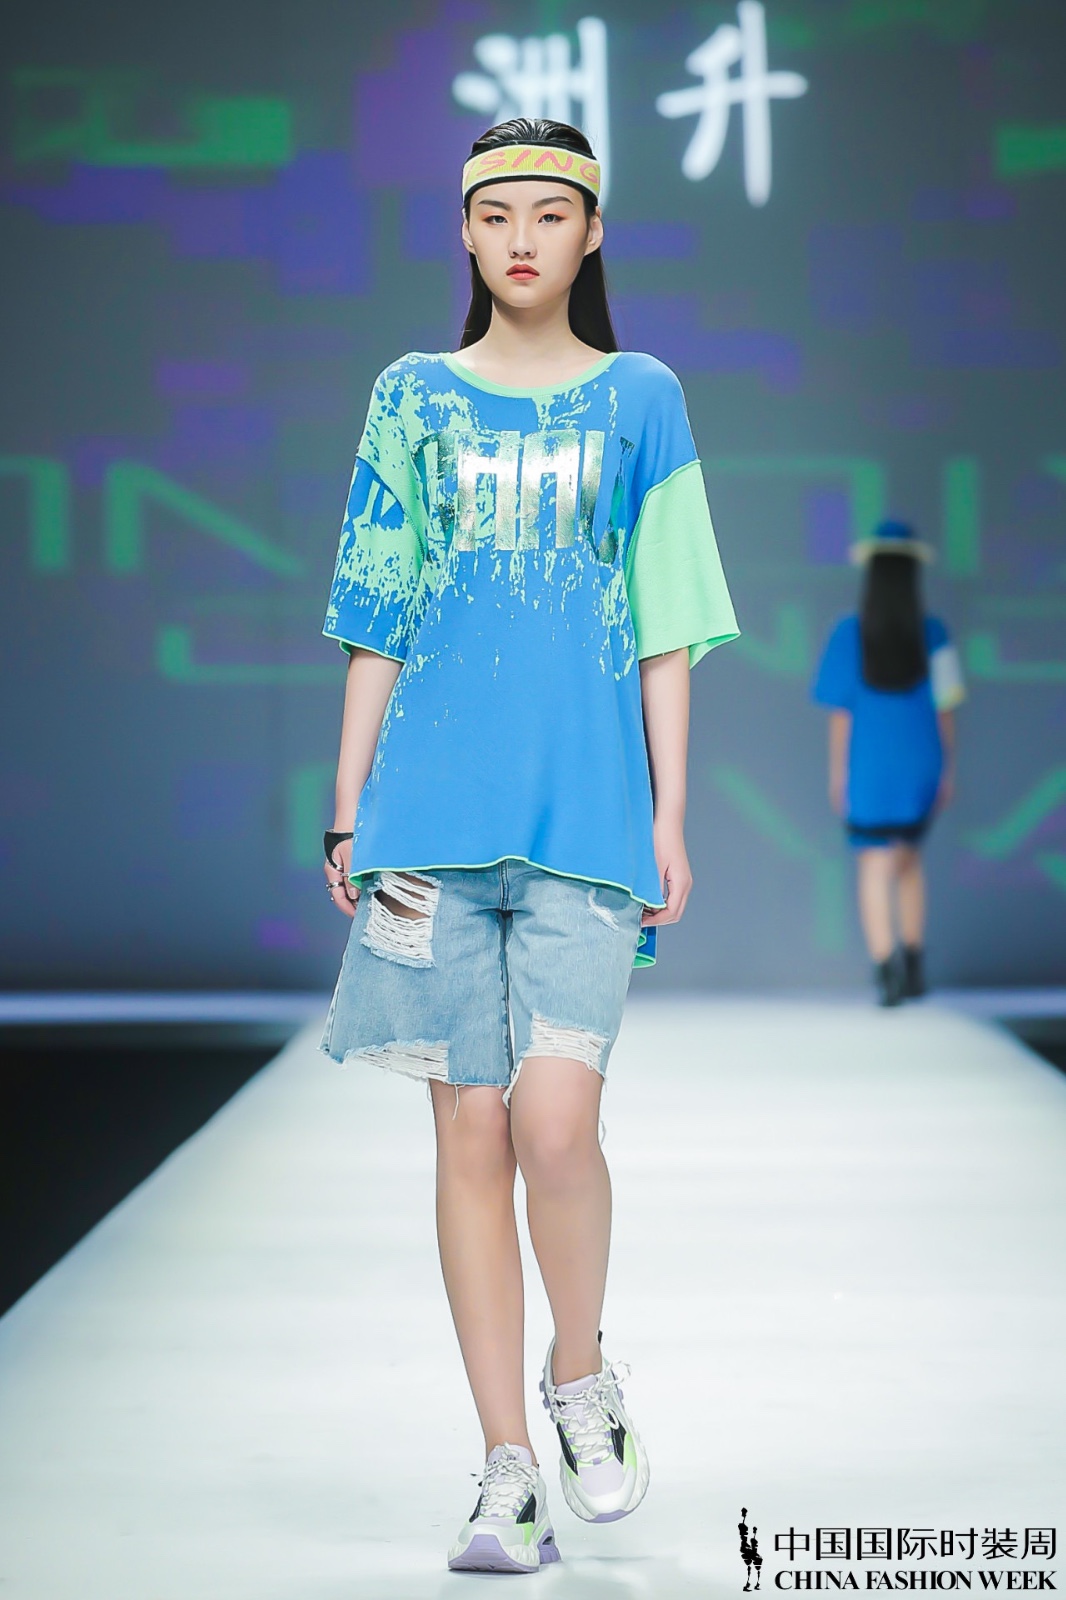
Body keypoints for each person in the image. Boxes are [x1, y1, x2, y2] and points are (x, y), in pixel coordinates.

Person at [318, 116, 739, 1574]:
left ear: (591, 232)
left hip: (584, 821)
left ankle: (579, 1374)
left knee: (557, 1127)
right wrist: (347, 805)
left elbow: (668, 624)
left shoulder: (641, 398)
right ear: (462, 229)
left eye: (548, 213)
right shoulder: (409, 396)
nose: (519, 238)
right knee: (470, 1131)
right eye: (494, 213)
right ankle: (503, 1465)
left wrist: (670, 813)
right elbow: (377, 610)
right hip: (428, 821)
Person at [811, 520, 966, 1006]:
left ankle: (886, 974)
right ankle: (913, 966)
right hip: (920, 760)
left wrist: (838, 773)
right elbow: (946, 708)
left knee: (874, 864)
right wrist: (946, 767)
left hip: (869, 765)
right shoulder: (934, 633)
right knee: (909, 859)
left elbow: (840, 713)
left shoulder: (847, 634)